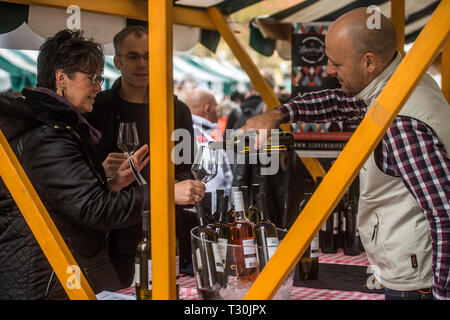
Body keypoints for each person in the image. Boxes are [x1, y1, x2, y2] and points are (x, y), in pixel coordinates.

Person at [242, 8, 449, 300]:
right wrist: (279, 114)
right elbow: (338, 101)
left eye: (336, 62)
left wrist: (442, 293)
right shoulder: (397, 84)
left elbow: (444, 213)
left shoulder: (402, 122)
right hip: (409, 268)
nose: (328, 69)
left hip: (418, 283)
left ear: (368, 62)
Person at [0, 29, 150, 299]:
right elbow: (94, 209)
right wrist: (163, 195)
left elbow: (63, 200)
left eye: (100, 78)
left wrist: (109, 182)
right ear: (61, 78)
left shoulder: (48, 125)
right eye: (92, 77)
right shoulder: (48, 134)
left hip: (52, 274)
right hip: (50, 281)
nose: (99, 87)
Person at [84, 25, 204, 286]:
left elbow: (186, 168)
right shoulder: (95, 107)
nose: (142, 64)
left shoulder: (176, 110)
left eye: (149, 56)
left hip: (164, 231)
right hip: (112, 235)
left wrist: (179, 186)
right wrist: (103, 171)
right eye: (133, 56)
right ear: (117, 61)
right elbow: (81, 175)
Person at [186, 88, 233, 211]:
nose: (219, 113)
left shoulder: (193, 130)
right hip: (212, 211)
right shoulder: (199, 133)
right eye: (216, 107)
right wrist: (217, 216)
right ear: (207, 109)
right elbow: (213, 180)